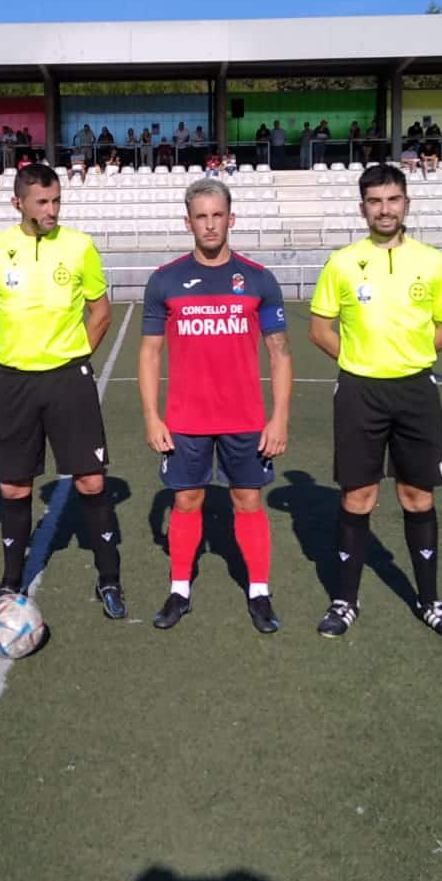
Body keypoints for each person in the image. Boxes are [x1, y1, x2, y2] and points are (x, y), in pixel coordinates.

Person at [307, 164, 442, 641]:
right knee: (358, 496)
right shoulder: (342, 262)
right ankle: (345, 601)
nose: (385, 209)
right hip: (360, 392)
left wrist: (411, 353)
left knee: (418, 495)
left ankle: (430, 601)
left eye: (393, 199)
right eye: (375, 201)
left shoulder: (432, 262)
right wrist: (360, 361)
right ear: (363, 209)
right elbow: (319, 329)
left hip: (416, 390)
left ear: (406, 204)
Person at [0, 163, 123, 616]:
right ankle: (10, 580)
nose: (52, 210)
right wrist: (12, 352)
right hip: (15, 381)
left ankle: (109, 579)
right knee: (14, 488)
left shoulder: (79, 246)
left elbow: (101, 313)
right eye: (42, 202)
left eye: (56, 201)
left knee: (91, 481)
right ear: (18, 202)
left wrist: (75, 356)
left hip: (68, 379)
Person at [139, 178, 292, 633]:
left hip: (245, 417)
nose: (210, 224)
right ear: (188, 222)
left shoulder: (259, 279)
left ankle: (259, 592)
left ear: (231, 218)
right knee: (186, 500)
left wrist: (279, 417)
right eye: (201, 216)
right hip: (186, 418)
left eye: (217, 215)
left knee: (248, 499)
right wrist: (152, 416)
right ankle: (179, 589)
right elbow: (149, 352)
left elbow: (280, 353)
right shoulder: (165, 280)